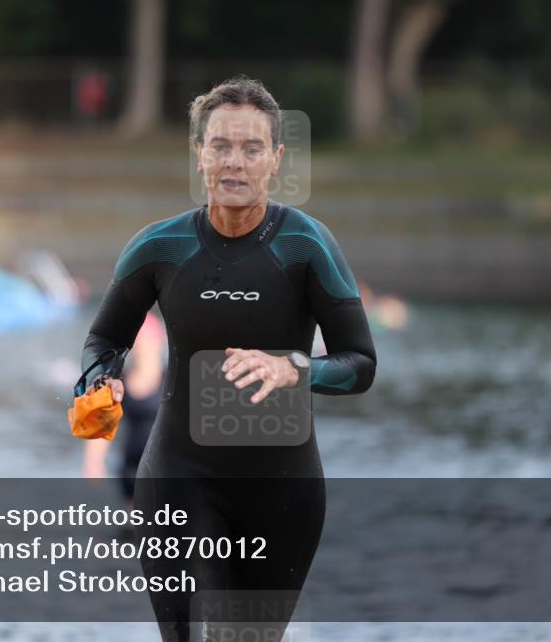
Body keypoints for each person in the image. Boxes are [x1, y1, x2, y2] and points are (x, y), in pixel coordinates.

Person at [77, 76, 376, 641]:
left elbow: (360, 363)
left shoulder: (307, 245)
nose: (234, 162)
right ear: (199, 155)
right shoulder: (158, 248)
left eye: (252, 148)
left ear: (276, 160)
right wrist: (101, 382)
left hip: (282, 489)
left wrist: (295, 369)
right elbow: (102, 342)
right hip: (178, 476)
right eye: (220, 146)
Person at [82, 311, 165, 507]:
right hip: (131, 470)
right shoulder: (120, 382)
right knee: (132, 531)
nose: (143, 348)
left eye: (147, 341)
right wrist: (93, 462)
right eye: (139, 342)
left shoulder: (171, 381)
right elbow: (104, 424)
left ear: (158, 342)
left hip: (165, 470)